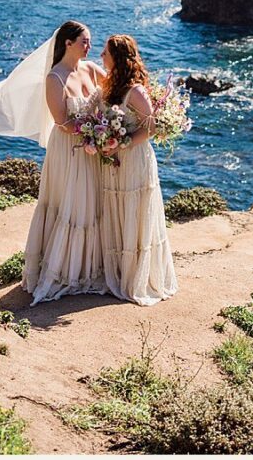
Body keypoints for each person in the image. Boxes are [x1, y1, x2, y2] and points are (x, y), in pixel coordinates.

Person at [0, 20, 106, 303]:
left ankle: (90, 266)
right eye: (85, 41)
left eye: (90, 41)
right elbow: (62, 121)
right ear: (68, 43)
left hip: (93, 146)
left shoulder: (92, 69)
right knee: (70, 205)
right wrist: (96, 130)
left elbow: (117, 92)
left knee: (92, 204)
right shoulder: (54, 78)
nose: (89, 46)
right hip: (69, 149)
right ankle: (65, 272)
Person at [96, 34, 177, 305]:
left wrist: (122, 143)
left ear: (117, 58)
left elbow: (150, 128)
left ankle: (137, 279)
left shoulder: (136, 91)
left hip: (134, 159)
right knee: (117, 211)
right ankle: (119, 273)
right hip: (115, 158)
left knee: (135, 212)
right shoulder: (111, 87)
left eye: (105, 53)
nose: (101, 57)